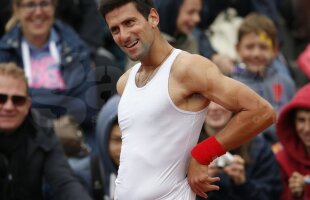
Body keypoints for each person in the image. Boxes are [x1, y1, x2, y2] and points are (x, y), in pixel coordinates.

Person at [99, 1, 276, 199]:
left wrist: (203, 155)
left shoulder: (188, 67)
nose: (123, 35)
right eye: (115, 29)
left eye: (130, 22)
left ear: (153, 18)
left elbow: (261, 111)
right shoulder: (124, 82)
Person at [0, 0, 98, 152]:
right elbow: (6, 109)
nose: (38, 12)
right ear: (17, 9)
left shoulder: (75, 47)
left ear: (54, 7)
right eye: (30, 5)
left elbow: (86, 106)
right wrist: (54, 124)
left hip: (75, 142)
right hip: (21, 145)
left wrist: (33, 101)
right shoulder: (5, 52)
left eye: (45, 4)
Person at [0, 62, 92, 200]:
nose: (8, 106)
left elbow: (64, 183)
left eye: (17, 100)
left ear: (27, 105)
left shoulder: (43, 133)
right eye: (1, 98)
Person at [197, 102, 282, 200]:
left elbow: (272, 195)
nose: (214, 107)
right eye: (207, 101)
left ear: (234, 103)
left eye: (220, 101)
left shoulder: (258, 147)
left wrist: (243, 184)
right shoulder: (185, 147)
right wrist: (200, 185)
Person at [232, 13, 296, 143]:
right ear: (237, 48)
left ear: (275, 49)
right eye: (249, 47)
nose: (256, 54)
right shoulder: (231, 84)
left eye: (263, 47)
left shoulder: (286, 83)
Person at [275, 83, 310, 200]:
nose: (307, 129)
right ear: (292, 122)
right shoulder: (282, 159)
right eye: (301, 120)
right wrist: (295, 195)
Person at [96, 95, 121, 200]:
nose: (124, 149)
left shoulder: (160, 179)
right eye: (117, 140)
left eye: (130, 140)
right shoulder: (85, 176)